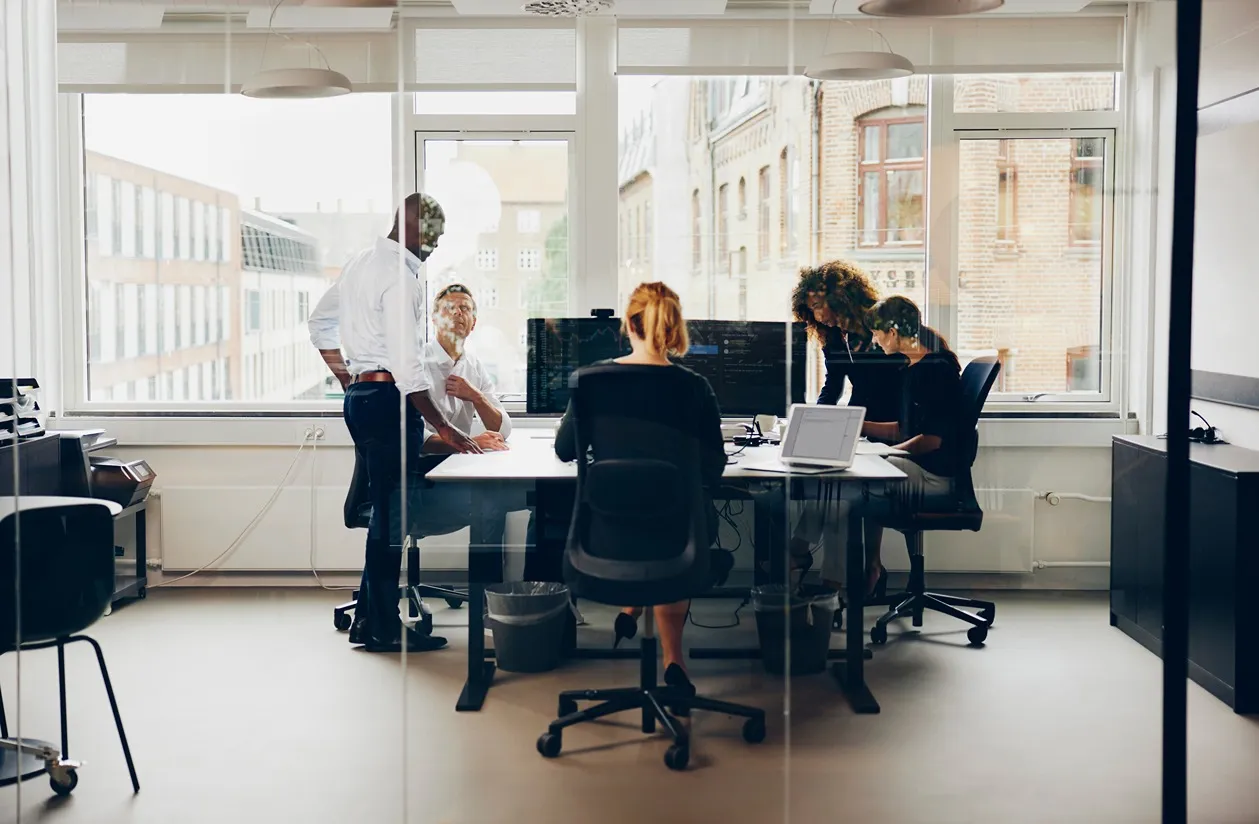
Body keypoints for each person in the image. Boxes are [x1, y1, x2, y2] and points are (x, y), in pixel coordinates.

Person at [312, 193, 481, 654]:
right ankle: (384, 629)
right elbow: (408, 368)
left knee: (384, 516)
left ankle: (369, 620)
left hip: (362, 399)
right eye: (435, 235)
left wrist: (350, 379)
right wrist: (444, 427)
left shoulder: (359, 264)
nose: (436, 244)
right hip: (388, 400)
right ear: (415, 226)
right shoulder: (401, 278)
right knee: (390, 519)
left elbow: (319, 323)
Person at [553, 282, 723, 700]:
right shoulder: (694, 387)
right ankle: (674, 660)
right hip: (678, 537)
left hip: (606, 532)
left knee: (650, 533)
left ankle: (633, 607)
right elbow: (714, 468)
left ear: (628, 325)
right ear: (675, 328)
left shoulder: (590, 381)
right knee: (675, 530)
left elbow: (564, 450)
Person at [792, 296, 964, 597]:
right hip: (918, 464)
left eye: (876, 333)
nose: (873, 340)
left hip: (934, 475)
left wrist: (884, 454)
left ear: (893, 333)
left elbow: (931, 440)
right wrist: (852, 427)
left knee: (839, 485)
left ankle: (818, 573)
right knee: (835, 477)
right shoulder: (914, 367)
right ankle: (818, 571)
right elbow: (902, 429)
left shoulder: (935, 370)